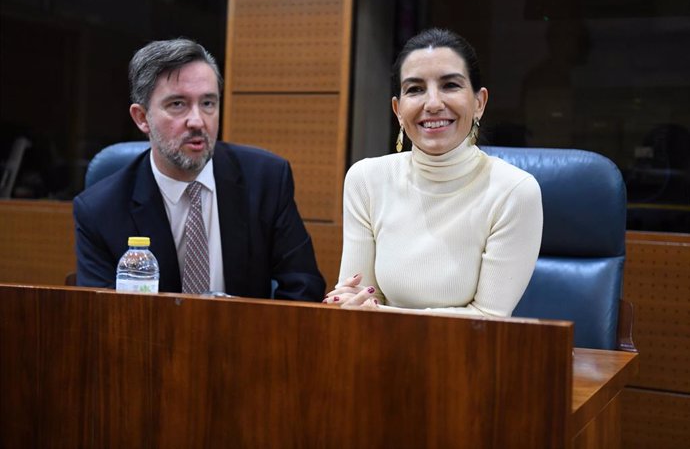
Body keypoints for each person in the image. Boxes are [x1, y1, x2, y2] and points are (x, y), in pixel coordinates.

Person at [73, 38, 325, 301]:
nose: (197, 121)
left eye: (207, 103)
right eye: (177, 104)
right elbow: (101, 317)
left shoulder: (266, 179)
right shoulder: (100, 209)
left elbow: (303, 288)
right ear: (142, 118)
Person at [324, 28, 543, 315]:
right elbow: (357, 299)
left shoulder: (515, 191)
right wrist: (352, 305)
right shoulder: (365, 180)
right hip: (378, 353)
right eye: (415, 89)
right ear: (398, 110)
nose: (433, 104)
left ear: (479, 103)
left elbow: (488, 319)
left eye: (450, 85)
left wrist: (380, 314)